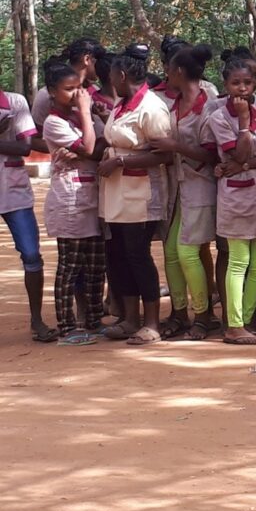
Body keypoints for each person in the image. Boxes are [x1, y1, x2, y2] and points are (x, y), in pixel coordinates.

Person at [98, 44, 174, 345]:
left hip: (140, 190)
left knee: (137, 255)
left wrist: (120, 160)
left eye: (113, 74)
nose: (111, 79)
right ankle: (130, 318)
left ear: (122, 74)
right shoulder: (121, 104)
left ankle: (151, 322)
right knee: (118, 255)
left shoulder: (151, 107)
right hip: (116, 190)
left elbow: (164, 154)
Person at [206, 56, 256, 345]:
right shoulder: (219, 117)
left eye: (248, 82)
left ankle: (246, 319)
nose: (242, 88)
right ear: (225, 84)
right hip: (235, 195)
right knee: (238, 260)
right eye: (236, 83)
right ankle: (233, 324)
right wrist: (244, 122)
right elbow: (240, 154)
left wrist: (247, 164)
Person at [153, 45, 218, 340]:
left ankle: (203, 314)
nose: (166, 73)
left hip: (201, 186)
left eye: (169, 69)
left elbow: (213, 154)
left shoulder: (210, 105)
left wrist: (174, 147)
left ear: (178, 72)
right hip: (178, 187)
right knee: (170, 251)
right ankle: (179, 312)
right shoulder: (172, 104)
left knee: (188, 251)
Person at [42, 62, 106, 345]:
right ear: (52, 93)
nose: (77, 95)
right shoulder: (54, 122)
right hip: (70, 200)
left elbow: (103, 146)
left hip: (91, 198)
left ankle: (93, 319)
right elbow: (92, 148)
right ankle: (67, 326)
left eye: (79, 89)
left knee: (95, 265)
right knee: (69, 266)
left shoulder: (85, 118)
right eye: (69, 90)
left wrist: (90, 127)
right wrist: (87, 118)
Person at [1, 81, 56, 343]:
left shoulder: (15, 102)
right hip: (12, 187)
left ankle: (37, 320)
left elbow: (25, 147)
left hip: (14, 192)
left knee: (32, 254)